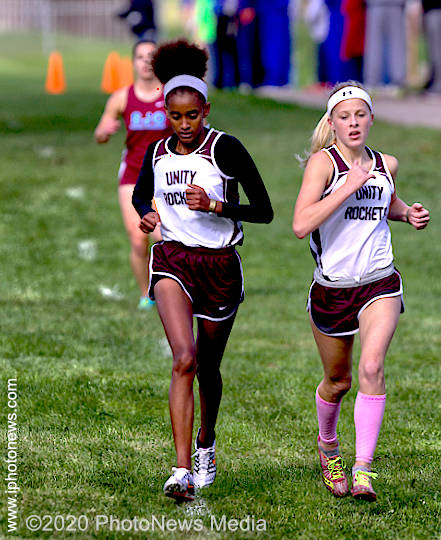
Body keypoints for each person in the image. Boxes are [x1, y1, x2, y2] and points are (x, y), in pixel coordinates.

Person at [132, 39, 273, 501]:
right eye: (176, 117)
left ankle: (205, 443)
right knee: (184, 360)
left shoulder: (224, 149)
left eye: (193, 115)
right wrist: (147, 215)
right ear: (165, 113)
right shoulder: (156, 153)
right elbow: (140, 196)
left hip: (219, 266)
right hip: (172, 260)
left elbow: (265, 210)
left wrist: (215, 204)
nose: (185, 125)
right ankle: (179, 470)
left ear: (206, 110)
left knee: (209, 367)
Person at [293, 82, 430, 501]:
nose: (353, 123)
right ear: (332, 123)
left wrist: (406, 212)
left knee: (372, 367)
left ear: (371, 118)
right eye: (344, 117)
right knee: (338, 381)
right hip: (334, 287)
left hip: (379, 281)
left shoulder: (386, 163)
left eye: (360, 115)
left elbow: (382, 199)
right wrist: (348, 186)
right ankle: (329, 446)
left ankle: (363, 471)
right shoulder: (323, 164)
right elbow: (301, 224)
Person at [94, 40, 172, 310]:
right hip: (132, 177)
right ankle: (145, 294)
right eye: (140, 57)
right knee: (139, 239)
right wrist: (104, 132)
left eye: (152, 56)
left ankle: (172, 289)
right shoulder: (122, 97)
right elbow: (100, 132)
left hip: (165, 178)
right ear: (133, 62)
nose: (146, 62)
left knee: (163, 238)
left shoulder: (170, 95)